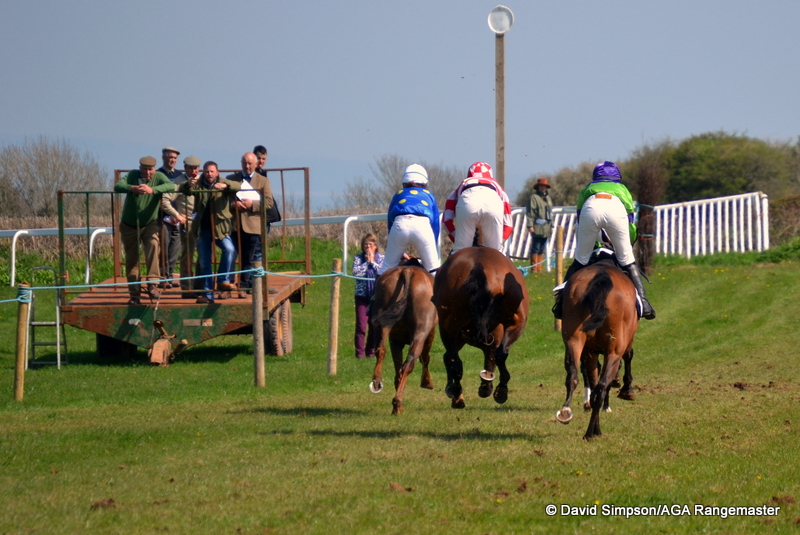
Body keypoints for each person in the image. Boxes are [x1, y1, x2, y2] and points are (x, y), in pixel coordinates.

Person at [553, 161, 655, 320]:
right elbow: (630, 222)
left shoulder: (587, 189)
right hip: (616, 210)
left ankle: (561, 302)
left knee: (580, 260)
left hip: (590, 209)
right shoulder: (622, 190)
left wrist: (591, 244)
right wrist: (628, 242)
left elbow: (580, 220)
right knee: (627, 261)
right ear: (617, 177)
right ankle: (644, 301)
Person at [114, 156, 176, 305]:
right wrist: (132, 188)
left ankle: (152, 284)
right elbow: (118, 187)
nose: (147, 173)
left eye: (150, 169)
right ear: (140, 168)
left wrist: (152, 190)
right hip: (130, 225)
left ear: (154, 169)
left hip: (150, 224)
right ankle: (134, 295)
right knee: (132, 259)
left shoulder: (159, 176)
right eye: (145, 169)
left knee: (154, 246)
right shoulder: (133, 175)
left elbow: (171, 186)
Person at [180, 161, 241, 304]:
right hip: (203, 229)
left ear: (217, 172)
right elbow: (184, 189)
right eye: (207, 171)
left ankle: (222, 280)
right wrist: (189, 184)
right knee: (204, 262)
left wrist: (226, 186)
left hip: (220, 228)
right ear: (204, 172)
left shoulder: (223, 182)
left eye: (212, 171)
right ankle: (208, 294)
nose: (209, 174)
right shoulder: (198, 183)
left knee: (230, 250)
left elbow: (237, 186)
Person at [378, 164, 440, 275]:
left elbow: (390, 220)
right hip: (422, 227)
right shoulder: (429, 194)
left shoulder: (398, 193)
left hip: (399, 225)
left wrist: (395, 243)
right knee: (434, 269)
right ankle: (441, 292)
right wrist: (432, 245)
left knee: (386, 268)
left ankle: (374, 292)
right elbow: (435, 224)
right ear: (424, 182)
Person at [228, 152, 275, 298]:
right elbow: (223, 200)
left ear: (255, 164)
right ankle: (227, 286)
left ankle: (243, 286)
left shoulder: (263, 181)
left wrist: (252, 204)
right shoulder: (231, 179)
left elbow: (268, 202)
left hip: (253, 226)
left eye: (250, 163)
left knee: (248, 258)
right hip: (234, 225)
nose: (247, 166)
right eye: (245, 163)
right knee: (230, 255)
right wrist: (233, 204)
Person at [443, 161, 513, 253]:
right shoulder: (496, 185)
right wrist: (499, 243)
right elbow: (508, 225)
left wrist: (458, 241)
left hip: (468, 202)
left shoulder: (463, 183)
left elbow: (446, 221)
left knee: (460, 252)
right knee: (496, 252)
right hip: (493, 202)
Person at [162, 155, 201, 298]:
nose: (193, 171)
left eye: (196, 168)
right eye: (190, 168)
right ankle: (186, 288)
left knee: (203, 255)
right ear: (185, 168)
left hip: (201, 223)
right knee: (187, 255)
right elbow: (165, 201)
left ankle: (199, 286)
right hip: (188, 223)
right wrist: (177, 215)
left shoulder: (202, 181)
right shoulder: (178, 182)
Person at [353, 234, 384, 358]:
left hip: (376, 296)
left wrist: (373, 263)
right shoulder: (358, 258)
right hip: (361, 296)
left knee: (373, 325)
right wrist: (367, 263)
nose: (368, 246)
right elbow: (356, 272)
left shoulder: (382, 258)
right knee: (361, 326)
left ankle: (370, 352)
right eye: (366, 244)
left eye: (371, 244)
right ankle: (359, 354)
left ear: (376, 246)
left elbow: (382, 272)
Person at [158, 147, 182, 288]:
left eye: (174, 158)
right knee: (164, 248)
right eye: (170, 157)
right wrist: (169, 214)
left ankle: (170, 275)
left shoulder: (180, 175)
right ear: (164, 157)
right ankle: (163, 277)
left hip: (177, 219)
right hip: (163, 218)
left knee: (175, 249)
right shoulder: (157, 174)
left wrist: (178, 215)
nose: (172, 160)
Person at [526, 177, 553, 273]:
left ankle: (539, 268)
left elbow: (550, 212)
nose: (543, 188)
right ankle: (534, 268)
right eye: (541, 186)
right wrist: (530, 226)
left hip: (546, 227)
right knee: (536, 247)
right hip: (537, 226)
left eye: (545, 186)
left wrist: (552, 225)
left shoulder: (548, 198)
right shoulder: (533, 198)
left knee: (542, 248)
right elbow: (530, 212)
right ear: (538, 187)